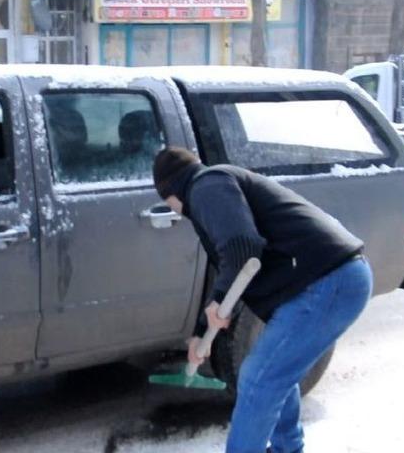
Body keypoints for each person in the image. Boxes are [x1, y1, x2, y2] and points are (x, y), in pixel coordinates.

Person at [152, 147, 372, 453]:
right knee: (272, 371)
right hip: (324, 280)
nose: (176, 212)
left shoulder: (206, 185)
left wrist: (217, 305)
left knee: (259, 380)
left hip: (328, 281)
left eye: (169, 205)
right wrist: (203, 332)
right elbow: (234, 272)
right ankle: (287, 448)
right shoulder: (214, 186)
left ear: (171, 193)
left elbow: (243, 248)